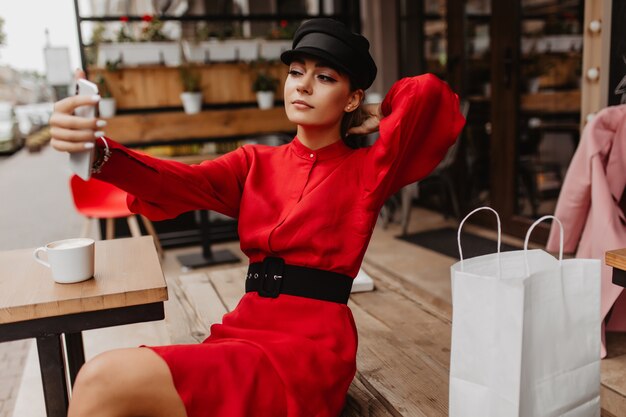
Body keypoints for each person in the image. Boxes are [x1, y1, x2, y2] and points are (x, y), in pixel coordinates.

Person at [49, 18, 465, 417]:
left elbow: (430, 95)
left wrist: (378, 112)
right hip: (243, 327)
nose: (302, 84)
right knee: (102, 382)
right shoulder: (254, 164)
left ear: (352, 97)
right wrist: (99, 153)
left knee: (102, 378)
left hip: (309, 348)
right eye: (296, 71)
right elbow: (177, 182)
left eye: (325, 77)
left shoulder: (368, 171)